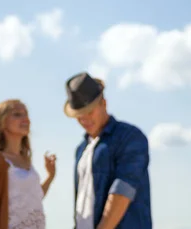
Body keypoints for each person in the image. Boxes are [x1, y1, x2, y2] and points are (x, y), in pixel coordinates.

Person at [64, 72, 151, 229]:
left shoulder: (129, 137)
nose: (84, 120)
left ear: (103, 103)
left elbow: (123, 190)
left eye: (89, 112)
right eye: (79, 115)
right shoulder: (81, 150)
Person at [0, 99, 57, 229]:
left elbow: (33, 198)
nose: (26, 119)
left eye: (26, 114)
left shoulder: (25, 161)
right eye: (17, 114)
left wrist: (50, 176)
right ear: (1, 122)